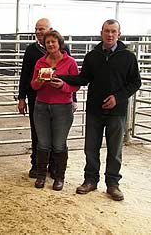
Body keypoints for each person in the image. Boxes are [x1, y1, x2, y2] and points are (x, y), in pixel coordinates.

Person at [58, 19, 141, 201]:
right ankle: (90, 180)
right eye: (106, 31)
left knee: (115, 149)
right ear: (101, 32)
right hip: (95, 110)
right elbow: (83, 79)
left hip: (117, 112)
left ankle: (112, 183)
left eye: (113, 31)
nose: (110, 34)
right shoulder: (92, 56)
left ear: (119, 34)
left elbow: (135, 82)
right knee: (91, 147)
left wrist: (117, 98)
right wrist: (60, 77)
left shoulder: (128, 57)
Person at [18, 18, 76, 179]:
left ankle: (55, 168)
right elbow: (25, 76)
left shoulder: (65, 52)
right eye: (36, 29)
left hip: (60, 99)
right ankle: (36, 165)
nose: (38, 32)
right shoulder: (32, 51)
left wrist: (74, 98)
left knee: (58, 137)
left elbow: (72, 78)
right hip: (37, 97)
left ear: (51, 30)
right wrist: (21, 97)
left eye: (42, 29)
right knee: (38, 134)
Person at [30, 30, 79, 190]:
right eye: (48, 42)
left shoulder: (70, 62)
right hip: (41, 106)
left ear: (59, 43)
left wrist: (63, 86)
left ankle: (59, 177)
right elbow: (33, 86)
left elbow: (76, 85)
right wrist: (39, 80)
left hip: (63, 107)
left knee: (59, 144)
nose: (50, 44)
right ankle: (41, 176)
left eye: (53, 42)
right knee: (43, 144)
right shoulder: (40, 63)